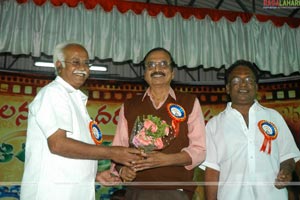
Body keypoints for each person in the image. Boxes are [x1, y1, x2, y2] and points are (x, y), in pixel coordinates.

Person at [20, 41, 142, 200]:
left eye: (86, 63)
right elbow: (58, 144)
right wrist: (113, 152)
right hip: (51, 193)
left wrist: (94, 175)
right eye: (76, 62)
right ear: (59, 65)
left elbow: (66, 158)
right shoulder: (54, 93)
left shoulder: (75, 98)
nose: (83, 68)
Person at [110, 47, 206, 200]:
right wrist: (122, 170)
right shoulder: (129, 105)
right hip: (136, 191)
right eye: (151, 65)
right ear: (145, 74)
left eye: (163, 64)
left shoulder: (189, 102)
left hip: (175, 191)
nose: (157, 69)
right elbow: (118, 149)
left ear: (172, 72)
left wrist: (166, 160)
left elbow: (199, 150)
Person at [202, 60, 300, 200]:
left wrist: (286, 170)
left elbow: (288, 156)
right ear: (228, 88)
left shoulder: (274, 117)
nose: (243, 84)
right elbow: (212, 171)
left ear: (256, 86)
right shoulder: (214, 124)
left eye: (249, 79)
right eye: (236, 80)